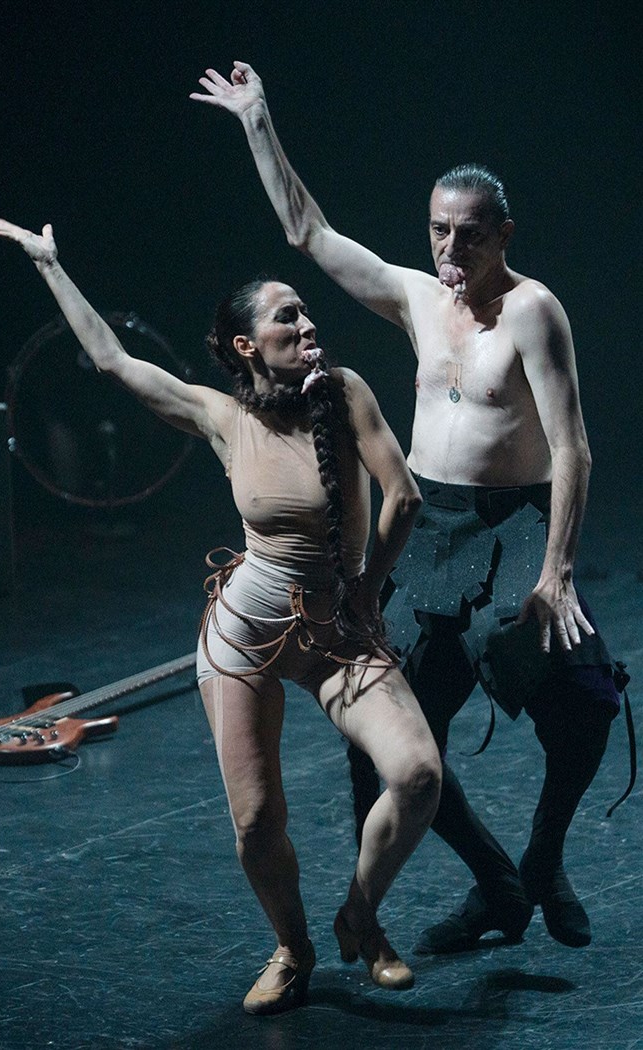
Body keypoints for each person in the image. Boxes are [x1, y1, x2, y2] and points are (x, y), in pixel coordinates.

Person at [190, 62, 622, 954]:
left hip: (514, 524)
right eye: (438, 232)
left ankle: (542, 862)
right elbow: (309, 231)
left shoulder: (534, 312)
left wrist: (557, 571)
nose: (450, 250)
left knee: (584, 705)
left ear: (503, 234)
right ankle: (499, 885)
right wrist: (257, 119)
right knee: (384, 738)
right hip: (433, 532)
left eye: (469, 235)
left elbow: (574, 447)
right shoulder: (418, 297)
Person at [0, 215, 442, 1013]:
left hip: (337, 632)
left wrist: (368, 589)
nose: (307, 324)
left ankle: (359, 917)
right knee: (257, 822)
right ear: (245, 346)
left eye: (307, 311)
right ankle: (294, 949)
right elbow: (113, 360)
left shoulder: (345, 394)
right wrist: (50, 263)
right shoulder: (222, 418)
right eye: (287, 317)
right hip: (247, 634)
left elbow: (403, 496)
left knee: (417, 775)